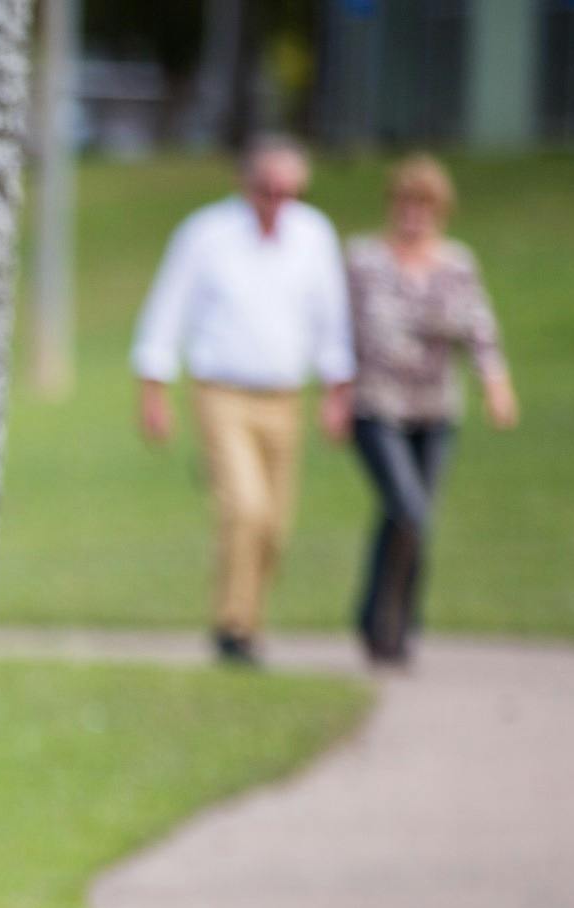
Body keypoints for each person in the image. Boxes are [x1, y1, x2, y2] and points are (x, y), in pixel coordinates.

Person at [132, 137, 355, 667]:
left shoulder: (313, 235)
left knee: (275, 523)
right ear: (245, 183)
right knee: (245, 507)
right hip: (221, 392)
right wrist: (154, 391)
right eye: (267, 189)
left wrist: (337, 389)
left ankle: (248, 617)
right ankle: (232, 628)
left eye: (288, 191)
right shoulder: (206, 234)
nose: (276, 201)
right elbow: (167, 310)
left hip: (284, 395)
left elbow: (331, 317)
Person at [343, 153, 517, 666]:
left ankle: (392, 624)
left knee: (412, 517)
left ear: (442, 209)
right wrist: (334, 393)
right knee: (407, 508)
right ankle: (383, 622)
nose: (413, 213)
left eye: (425, 204)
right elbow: (338, 329)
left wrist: (497, 386)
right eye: (405, 202)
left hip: (435, 409)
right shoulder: (363, 259)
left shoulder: (457, 263)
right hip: (376, 404)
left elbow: (481, 330)